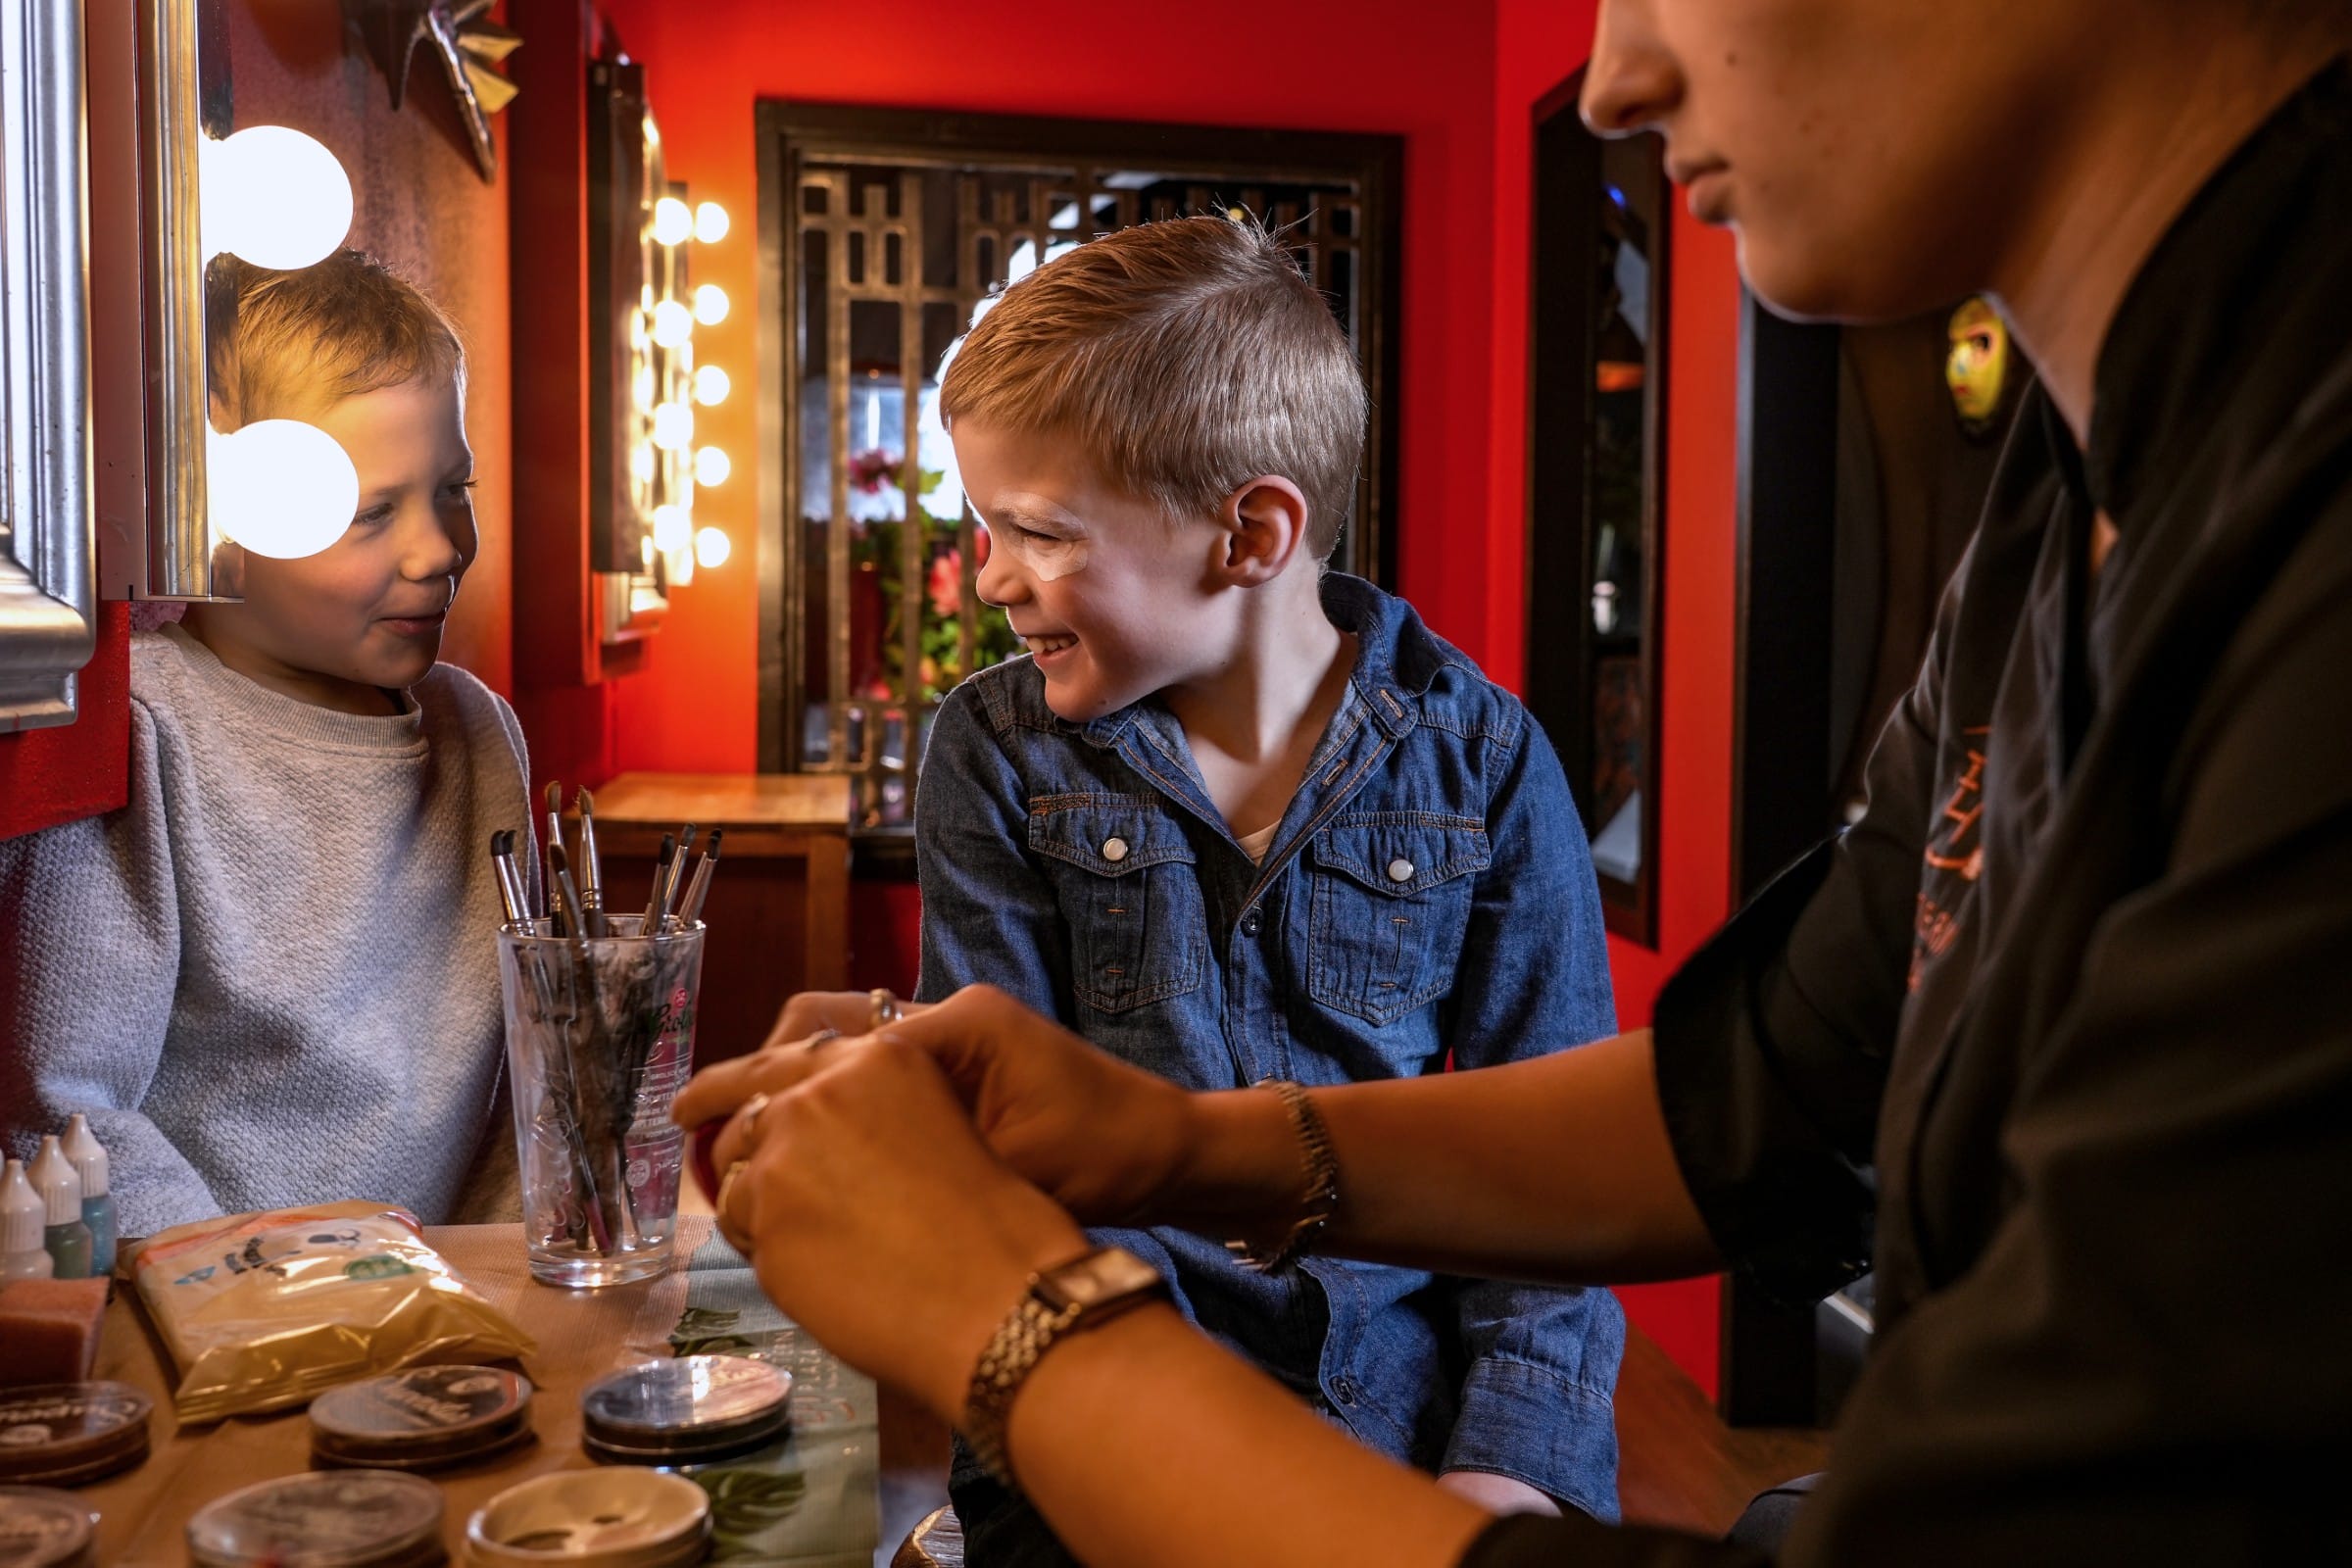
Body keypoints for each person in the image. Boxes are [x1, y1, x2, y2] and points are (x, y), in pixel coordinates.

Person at [676, 0, 2352, 1561]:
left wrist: (1010, 1320)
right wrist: (1180, 1141)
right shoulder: (2067, 517)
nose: (1611, 73)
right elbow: (1766, 1088)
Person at [781, 216, 1626, 1554]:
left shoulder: (1486, 758)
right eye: (982, 527)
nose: (988, 578)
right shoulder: (996, 754)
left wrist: (1505, 1474)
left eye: (1037, 532)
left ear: (1250, 533)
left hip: (1404, 1454)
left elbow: (1561, 1180)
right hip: (1089, 1433)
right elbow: (1005, 1177)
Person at [0, 250, 530, 1237]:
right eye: (371, 511)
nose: (440, 548)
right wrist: (275, 1309)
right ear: (216, 506)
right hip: (212, 1332)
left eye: (453, 488)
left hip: (448, 1326)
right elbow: (66, 1108)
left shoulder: (480, 734)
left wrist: (500, 1281)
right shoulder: (140, 729)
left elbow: (522, 1085)